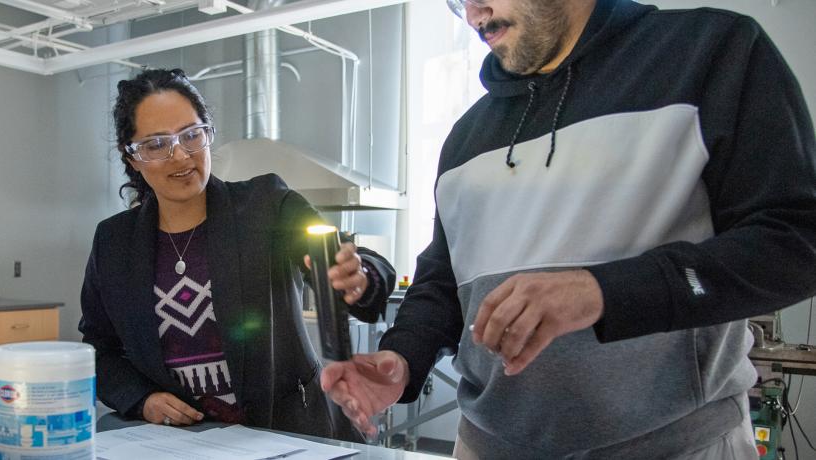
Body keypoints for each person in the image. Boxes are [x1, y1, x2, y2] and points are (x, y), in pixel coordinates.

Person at [321, 0, 816, 458]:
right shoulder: (466, 138)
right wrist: (402, 359)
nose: (473, 13)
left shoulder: (708, 54)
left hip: (676, 446)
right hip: (488, 447)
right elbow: (442, 284)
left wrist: (603, 291)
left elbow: (795, 241)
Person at [79, 68, 395, 441]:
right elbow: (99, 351)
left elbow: (349, 257)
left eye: (191, 135)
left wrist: (359, 275)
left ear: (207, 134)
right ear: (132, 158)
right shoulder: (114, 241)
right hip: (182, 444)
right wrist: (141, 399)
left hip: (287, 435)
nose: (179, 155)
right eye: (156, 144)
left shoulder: (266, 205)